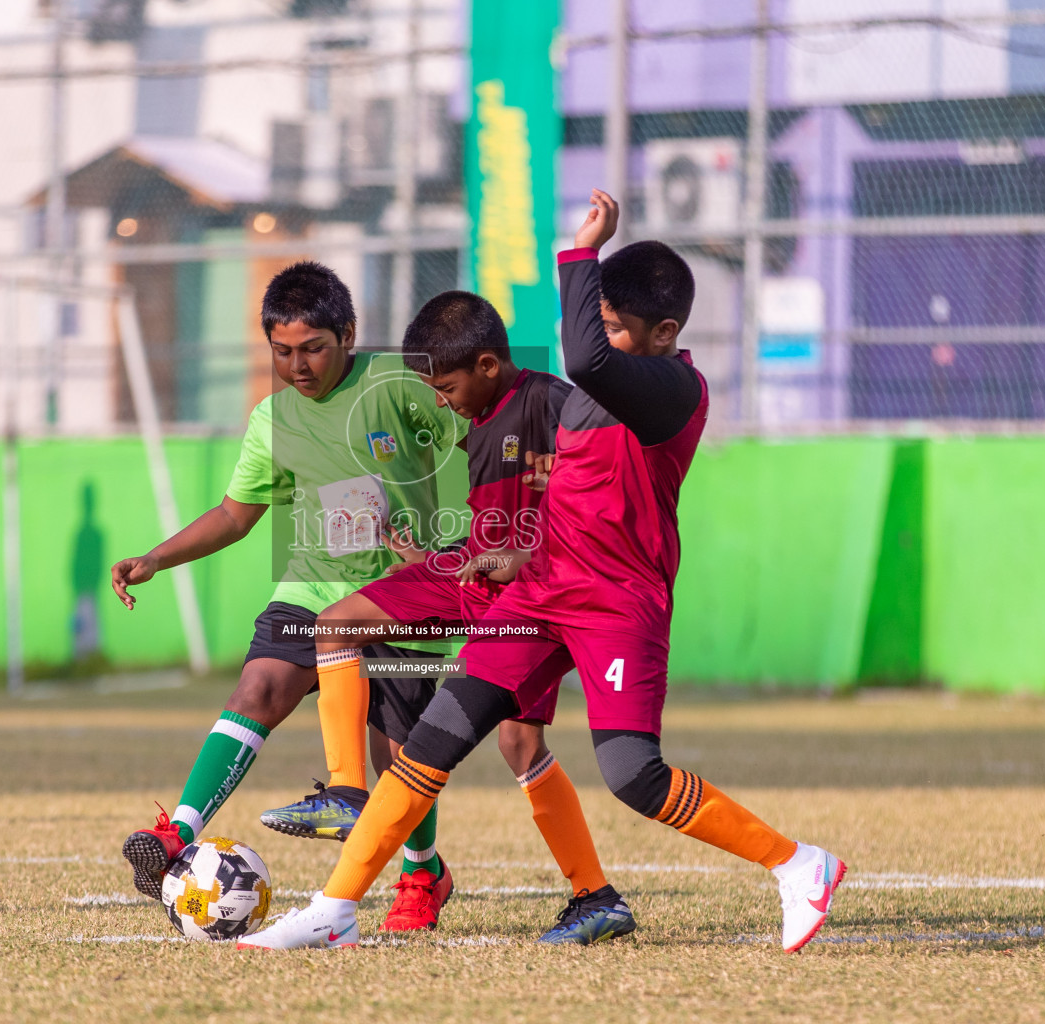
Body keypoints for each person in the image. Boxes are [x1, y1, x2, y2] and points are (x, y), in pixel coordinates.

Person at [239, 190, 846, 954]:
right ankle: (335, 908)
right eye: (606, 323)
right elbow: (576, 492)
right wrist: (518, 554)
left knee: (632, 775)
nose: (603, 341)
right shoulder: (594, 392)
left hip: (616, 603)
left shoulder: (673, 392)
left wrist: (579, 249)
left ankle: (798, 864)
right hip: (540, 589)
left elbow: (586, 355)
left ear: (667, 333)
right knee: (436, 737)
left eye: (620, 328)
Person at [258, 290, 633, 943]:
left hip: (540, 596)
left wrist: (526, 552)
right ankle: (348, 794)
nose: (439, 399)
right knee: (338, 623)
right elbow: (497, 523)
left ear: (488, 366)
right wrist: (418, 552)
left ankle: (595, 896)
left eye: (445, 385)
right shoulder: (480, 419)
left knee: (520, 743)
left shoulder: (552, 404)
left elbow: (604, 500)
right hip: (475, 574)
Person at [110, 261, 463, 930]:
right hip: (313, 585)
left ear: (349, 335)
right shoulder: (272, 419)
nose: (297, 365)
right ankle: (174, 835)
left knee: (400, 757)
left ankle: (423, 873)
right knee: (258, 690)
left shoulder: (397, 385)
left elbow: (473, 431)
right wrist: (157, 558)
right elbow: (235, 515)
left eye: (313, 349)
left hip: (404, 595)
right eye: (282, 351)